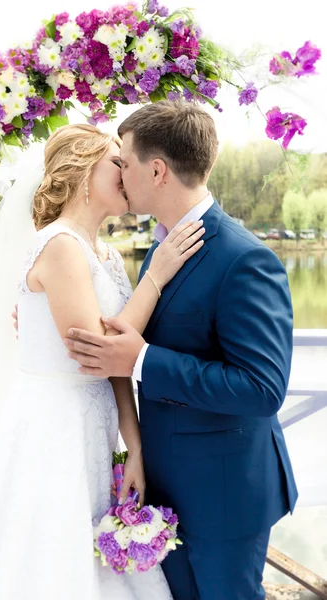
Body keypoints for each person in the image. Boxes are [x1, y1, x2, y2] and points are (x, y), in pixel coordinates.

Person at [0, 123, 205, 599]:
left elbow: (118, 368)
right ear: (83, 173)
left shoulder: (106, 254)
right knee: (51, 556)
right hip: (52, 430)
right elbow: (99, 355)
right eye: (115, 163)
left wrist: (134, 445)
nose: (126, 172)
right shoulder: (59, 245)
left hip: (96, 429)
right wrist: (156, 277)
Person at [64, 101, 298, 600]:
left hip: (224, 494)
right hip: (165, 488)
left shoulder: (244, 259)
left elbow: (261, 389)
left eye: (123, 162)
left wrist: (142, 361)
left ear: (157, 170)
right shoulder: (161, 247)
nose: (119, 173)